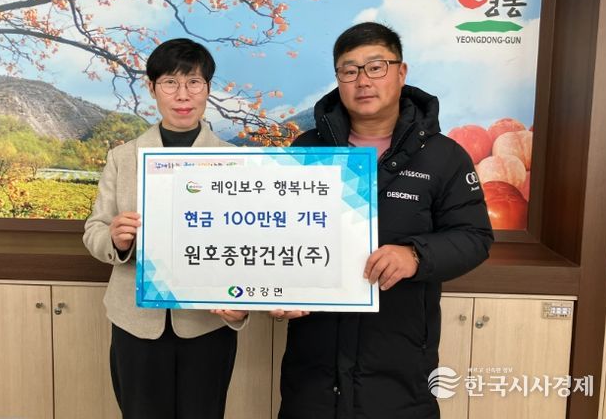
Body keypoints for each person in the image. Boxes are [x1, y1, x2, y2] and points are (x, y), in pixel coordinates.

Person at [273, 22, 493, 419]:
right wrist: (277, 289)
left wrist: (416, 255)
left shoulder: (443, 156)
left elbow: (474, 236)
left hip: (400, 368)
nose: (363, 80)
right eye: (349, 70)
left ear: (401, 72)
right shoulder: (306, 150)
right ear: (338, 78)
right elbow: (277, 233)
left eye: (376, 67)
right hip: (313, 371)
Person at [83, 38, 248, 419]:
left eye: (194, 82)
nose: (182, 94)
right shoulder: (123, 157)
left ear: (207, 88)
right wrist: (114, 239)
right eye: (170, 82)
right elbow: (94, 229)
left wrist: (241, 306)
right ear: (152, 87)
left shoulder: (235, 160)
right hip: (136, 321)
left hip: (207, 321)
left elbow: (248, 243)